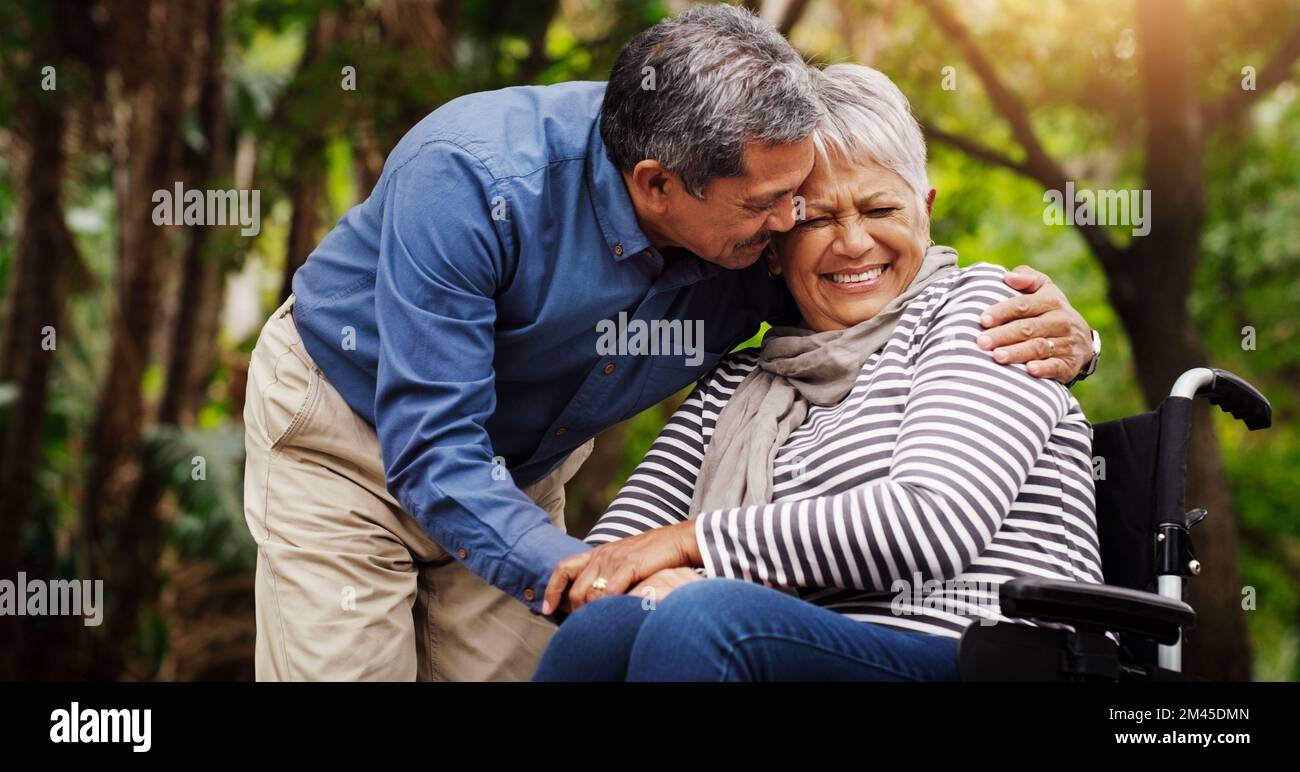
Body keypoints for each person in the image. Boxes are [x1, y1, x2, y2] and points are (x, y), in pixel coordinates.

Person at [243, 5, 1097, 681]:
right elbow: (439, 452)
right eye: (779, 207)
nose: (798, 228)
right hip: (351, 437)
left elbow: (885, 293)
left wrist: (1074, 336)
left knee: (594, 631)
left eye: (803, 198)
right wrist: (628, 568)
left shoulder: (786, 249)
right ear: (657, 184)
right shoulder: (471, 178)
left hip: (517, 475)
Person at [534, 63, 1102, 682]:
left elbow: (934, 520)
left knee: (700, 619)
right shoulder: (743, 378)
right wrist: (639, 576)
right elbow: (610, 555)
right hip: (795, 646)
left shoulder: (983, 309)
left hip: (986, 656)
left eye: (880, 206)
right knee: (605, 627)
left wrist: (693, 546)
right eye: (816, 219)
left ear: (925, 211)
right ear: (773, 243)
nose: (854, 242)